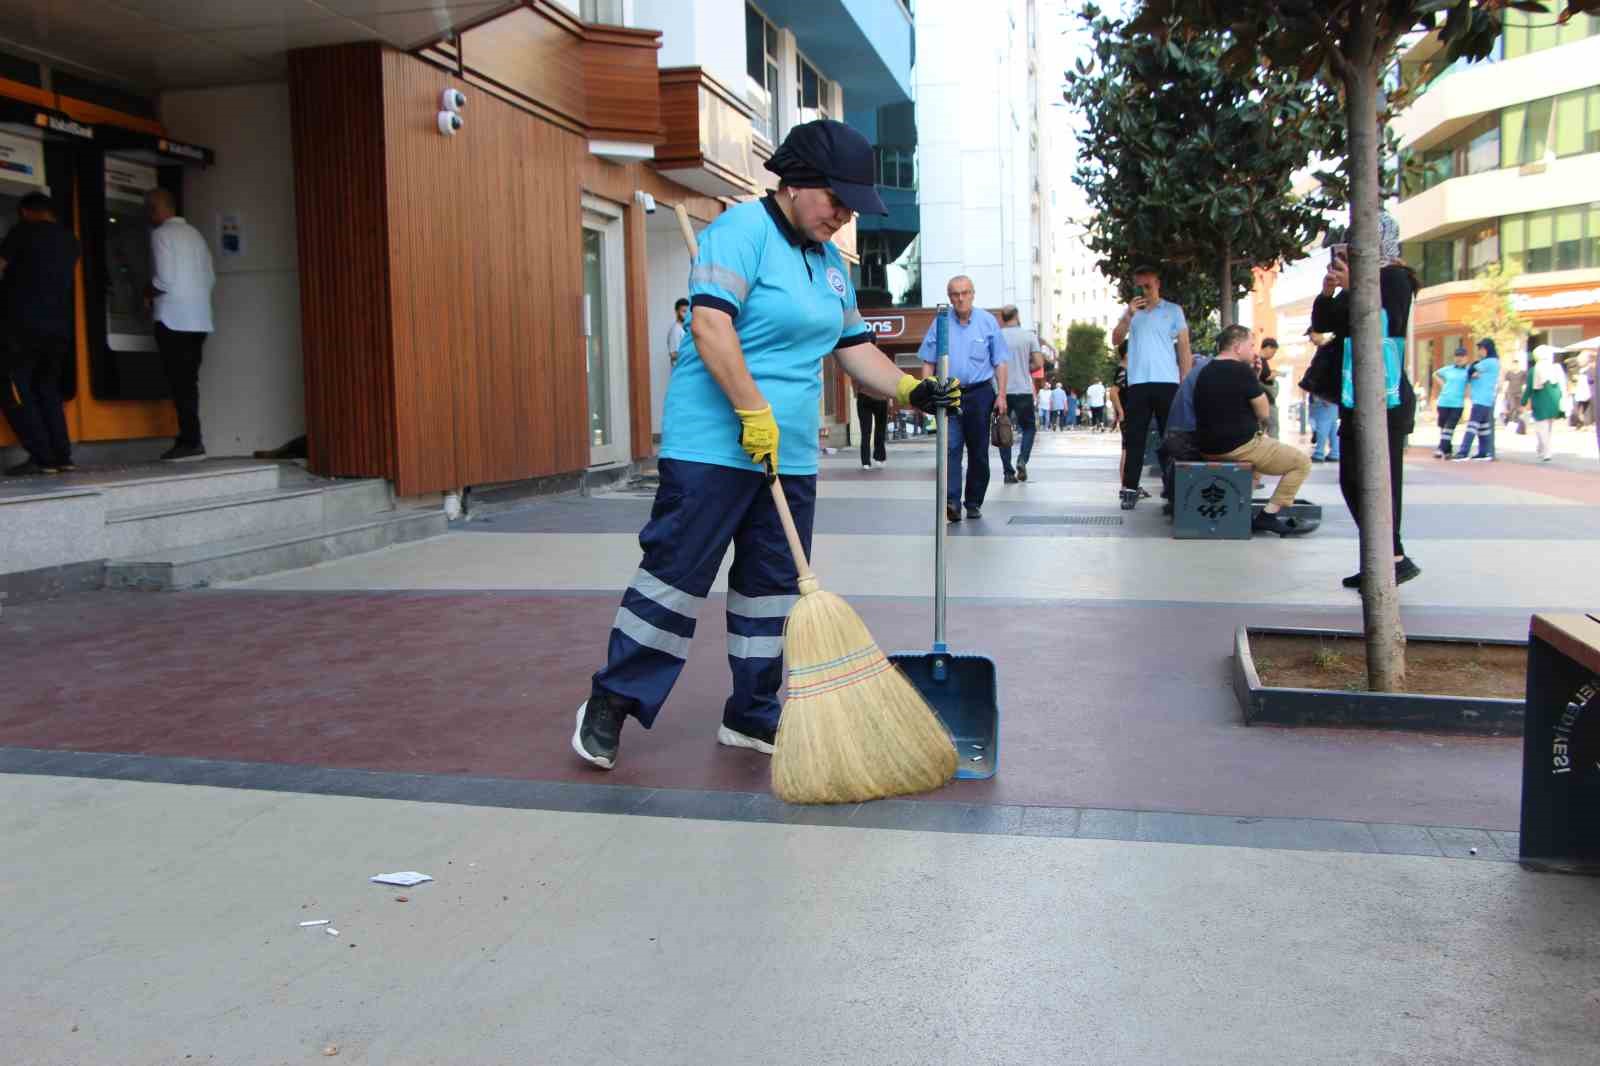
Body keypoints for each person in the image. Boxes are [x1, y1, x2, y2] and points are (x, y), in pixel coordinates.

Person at [573, 119, 959, 770]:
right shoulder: (740, 234)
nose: (841, 215)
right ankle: (613, 701)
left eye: (849, 207)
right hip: (712, 448)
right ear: (795, 183)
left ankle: (752, 713)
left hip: (791, 456)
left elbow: (854, 348)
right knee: (676, 578)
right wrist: (753, 411)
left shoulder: (830, 265)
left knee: (771, 590)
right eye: (834, 200)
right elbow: (710, 325)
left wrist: (910, 391)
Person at [1311, 211, 1421, 588]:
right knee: (1352, 478)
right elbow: (1326, 323)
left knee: (1379, 480)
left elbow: (1377, 320)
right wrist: (1330, 290)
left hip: (1383, 397)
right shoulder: (1364, 282)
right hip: (1355, 392)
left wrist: (1354, 284)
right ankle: (1384, 554)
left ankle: (1391, 555)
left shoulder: (1393, 279)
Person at [1193, 324, 1313, 536]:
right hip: (1239, 446)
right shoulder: (1241, 370)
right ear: (1238, 347)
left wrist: (1253, 377)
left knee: (1255, 467)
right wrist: (1253, 377)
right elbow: (1264, 413)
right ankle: (1268, 517)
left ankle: (1240, 511)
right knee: (1301, 463)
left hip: (1208, 445)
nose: (1254, 351)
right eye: (1251, 345)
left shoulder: (1205, 371)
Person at [0, 192, 79, 476]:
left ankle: (41, 457)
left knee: (16, 388)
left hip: (22, 326)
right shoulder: (70, 240)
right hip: (58, 328)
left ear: (25, 212)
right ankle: (62, 456)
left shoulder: (22, 232)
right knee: (48, 389)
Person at [918, 275, 1006, 521]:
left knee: (978, 451)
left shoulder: (988, 322)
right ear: (949, 298)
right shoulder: (941, 323)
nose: (960, 298)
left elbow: (1000, 362)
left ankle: (974, 501)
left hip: (980, 393)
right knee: (951, 448)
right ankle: (952, 502)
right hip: (950, 392)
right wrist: (925, 390)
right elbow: (928, 360)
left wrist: (1001, 395)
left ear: (973, 294)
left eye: (965, 293)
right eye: (955, 294)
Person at [1110, 264, 1193, 510]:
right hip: (1138, 383)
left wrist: (1185, 381)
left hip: (1168, 383)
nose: (1144, 290)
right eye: (1140, 286)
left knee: (1173, 438)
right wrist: (1127, 317)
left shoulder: (1174, 311)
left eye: (1148, 285)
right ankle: (1129, 488)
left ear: (1157, 283)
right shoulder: (1131, 314)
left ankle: (1173, 489)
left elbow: (1184, 348)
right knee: (1135, 437)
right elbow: (1115, 340)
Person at [146, 188, 215, 462]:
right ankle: (191, 438)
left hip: (173, 319)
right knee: (189, 381)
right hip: (199, 319)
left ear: (154, 209)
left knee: (180, 383)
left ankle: (190, 440)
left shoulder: (161, 235)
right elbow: (210, 277)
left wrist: (145, 294)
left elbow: (163, 280)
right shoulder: (196, 235)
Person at [996, 305, 1041, 483]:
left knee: (1003, 431)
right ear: (1017, 315)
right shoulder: (1029, 336)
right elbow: (1038, 363)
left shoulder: (997, 336)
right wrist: (1024, 368)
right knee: (1029, 427)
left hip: (1002, 391)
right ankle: (1022, 459)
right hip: (1023, 390)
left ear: (1002, 318)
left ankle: (1008, 472)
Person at [1455, 337, 1500, 461]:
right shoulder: (1493, 362)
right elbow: (1471, 373)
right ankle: (1484, 452)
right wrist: (1473, 373)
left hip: (1481, 399)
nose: (1479, 351)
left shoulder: (1489, 362)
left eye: (1481, 349)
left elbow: (1470, 370)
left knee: (1472, 426)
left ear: (1486, 349)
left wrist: (1472, 371)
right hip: (1486, 399)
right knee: (1483, 427)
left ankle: (1463, 452)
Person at [1523, 344, 1565, 462]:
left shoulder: (1534, 370)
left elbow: (1529, 388)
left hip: (1540, 402)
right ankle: (1541, 449)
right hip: (1554, 401)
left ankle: (1546, 451)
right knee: (1548, 427)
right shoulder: (1556, 368)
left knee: (1541, 427)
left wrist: (1523, 401)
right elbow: (1562, 385)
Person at [1432, 347, 1469, 459]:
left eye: (1462, 356)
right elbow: (1435, 374)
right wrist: (1443, 384)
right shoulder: (1448, 369)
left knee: (1449, 427)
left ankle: (1441, 448)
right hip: (1443, 402)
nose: (1459, 358)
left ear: (1466, 358)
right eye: (1457, 356)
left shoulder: (1468, 371)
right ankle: (1448, 450)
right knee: (1444, 428)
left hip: (1457, 404)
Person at [856, 385, 888, 470]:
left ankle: (877, 458)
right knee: (867, 431)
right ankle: (868, 461)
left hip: (879, 398)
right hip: (866, 396)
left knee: (879, 430)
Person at [1258, 337, 1281, 439]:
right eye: (1273, 352)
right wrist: (1274, 374)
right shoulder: (1259, 361)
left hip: (1263, 399)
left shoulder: (1260, 361)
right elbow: (1265, 378)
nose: (1273, 355)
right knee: (1273, 428)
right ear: (1267, 347)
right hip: (1267, 400)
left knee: (1262, 429)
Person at [1308, 394, 1340, 463]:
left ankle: (1319, 454)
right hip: (1332, 404)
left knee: (1322, 429)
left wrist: (1324, 398)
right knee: (1333, 430)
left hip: (1324, 404)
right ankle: (1334, 453)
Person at [666, 297, 688, 368]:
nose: (686, 314)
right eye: (684, 311)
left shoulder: (684, 328)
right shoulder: (676, 330)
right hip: (680, 372)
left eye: (688, 312)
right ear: (676, 312)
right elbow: (673, 354)